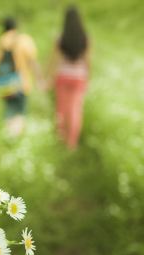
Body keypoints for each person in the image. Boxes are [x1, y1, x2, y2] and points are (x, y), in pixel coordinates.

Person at [48, 5, 90, 149]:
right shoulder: (85, 38)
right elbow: (87, 60)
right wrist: (88, 78)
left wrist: (49, 77)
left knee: (61, 108)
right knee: (75, 110)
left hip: (63, 76)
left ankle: (61, 137)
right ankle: (72, 143)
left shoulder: (60, 38)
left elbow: (54, 61)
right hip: (79, 77)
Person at [0, 17, 41, 138]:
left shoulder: (1, 41)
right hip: (21, 83)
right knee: (19, 112)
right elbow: (32, 61)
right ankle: (16, 137)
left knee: (9, 112)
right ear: (16, 27)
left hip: (4, 84)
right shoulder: (24, 40)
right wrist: (38, 78)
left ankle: (9, 136)